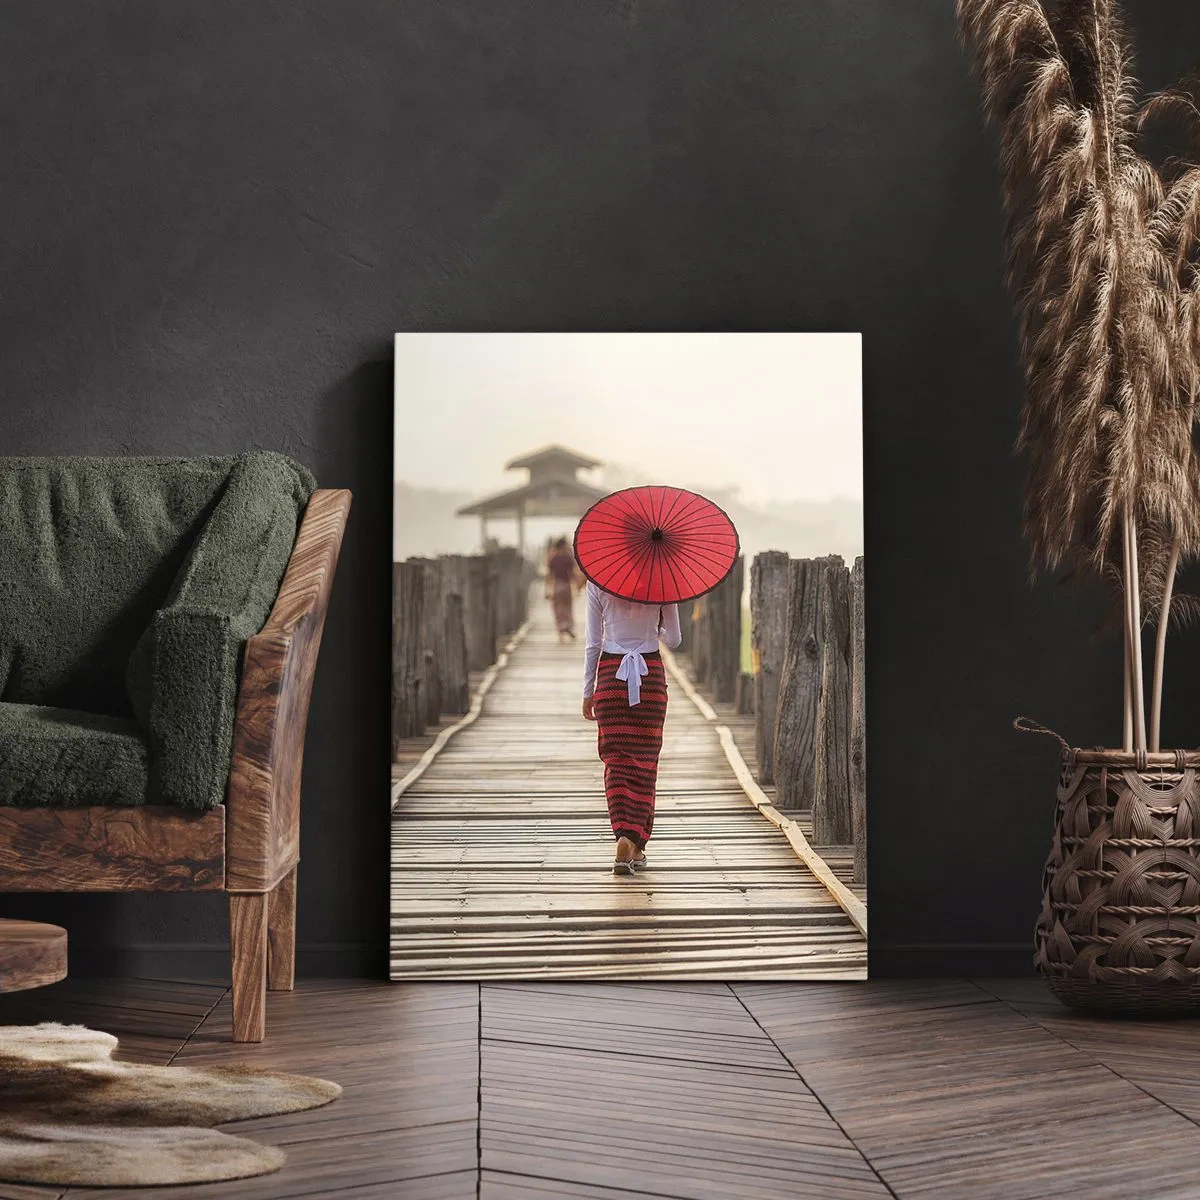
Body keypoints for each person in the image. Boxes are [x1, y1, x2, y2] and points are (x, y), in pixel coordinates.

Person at [581, 579, 682, 875]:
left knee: (616, 761)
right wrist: (656, 628)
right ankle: (635, 840)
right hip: (649, 676)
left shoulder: (598, 579)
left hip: (611, 676)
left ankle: (625, 838)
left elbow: (592, 643)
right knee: (645, 762)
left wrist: (589, 692)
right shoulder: (664, 579)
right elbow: (674, 640)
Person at [545, 537, 579, 641]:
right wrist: (577, 586)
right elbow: (572, 573)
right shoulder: (568, 557)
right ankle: (567, 626)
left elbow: (550, 574)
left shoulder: (553, 557)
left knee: (557, 608)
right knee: (568, 607)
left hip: (557, 585)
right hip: (566, 585)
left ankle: (561, 629)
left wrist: (547, 589)